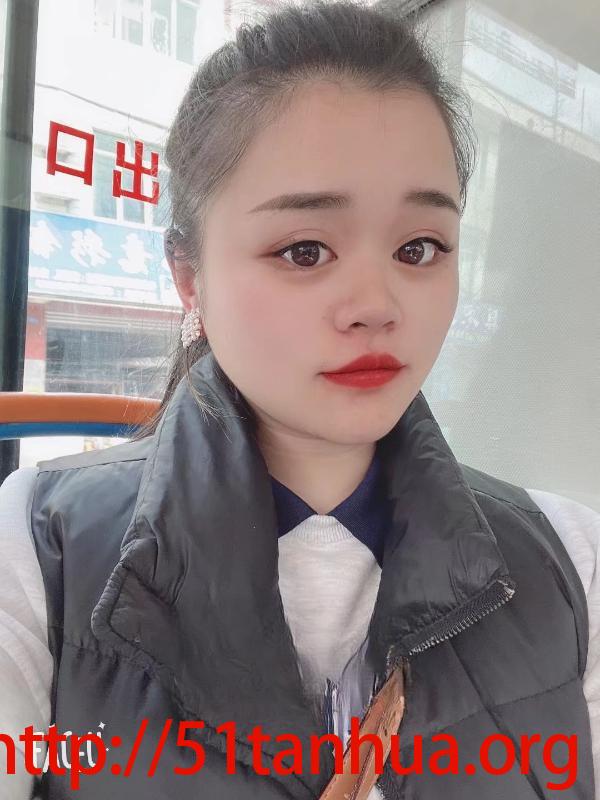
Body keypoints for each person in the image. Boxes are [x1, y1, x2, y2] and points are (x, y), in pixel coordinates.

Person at [0, 1, 598, 798]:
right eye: (305, 250)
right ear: (190, 278)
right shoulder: (40, 551)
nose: (377, 305)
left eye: (419, 247)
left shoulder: (568, 560)